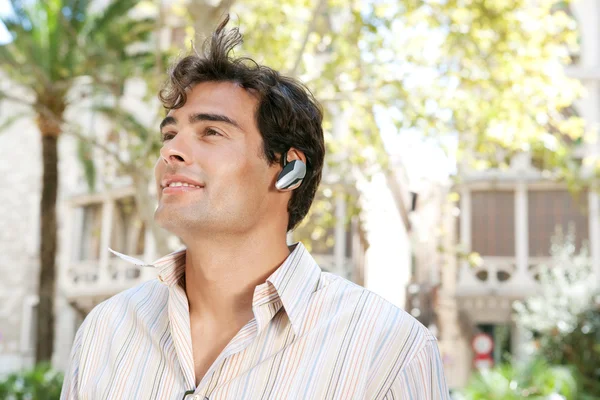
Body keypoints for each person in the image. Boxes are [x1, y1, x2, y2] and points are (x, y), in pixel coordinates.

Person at [61, 15, 450, 400]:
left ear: (290, 169)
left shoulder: (390, 351)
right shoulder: (105, 331)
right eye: (170, 133)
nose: (170, 151)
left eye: (211, 131)